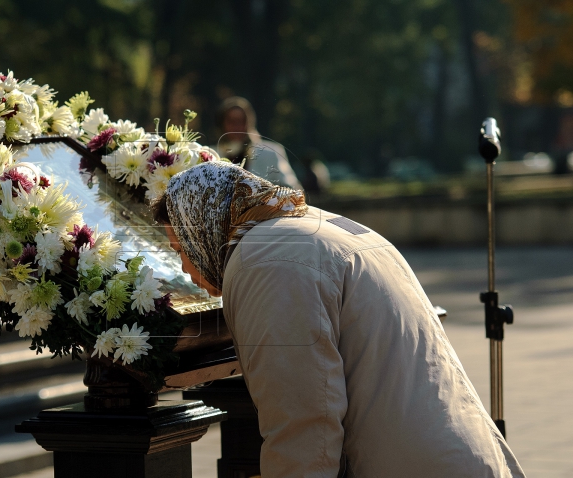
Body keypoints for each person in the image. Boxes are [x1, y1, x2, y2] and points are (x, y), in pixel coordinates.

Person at [153, 161, 526, 478]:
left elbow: (304, 422)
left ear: (202, 227)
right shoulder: (311, 227)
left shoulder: (265, 262)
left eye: (179, 249)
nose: (185, 269)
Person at [216, 96, 303, 190]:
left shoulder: (271, 153)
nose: (237, 126)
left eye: (241, 121)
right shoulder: (210, 155)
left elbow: (294, 190)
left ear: (250, 122)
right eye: (231, 121)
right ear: (222, 124)